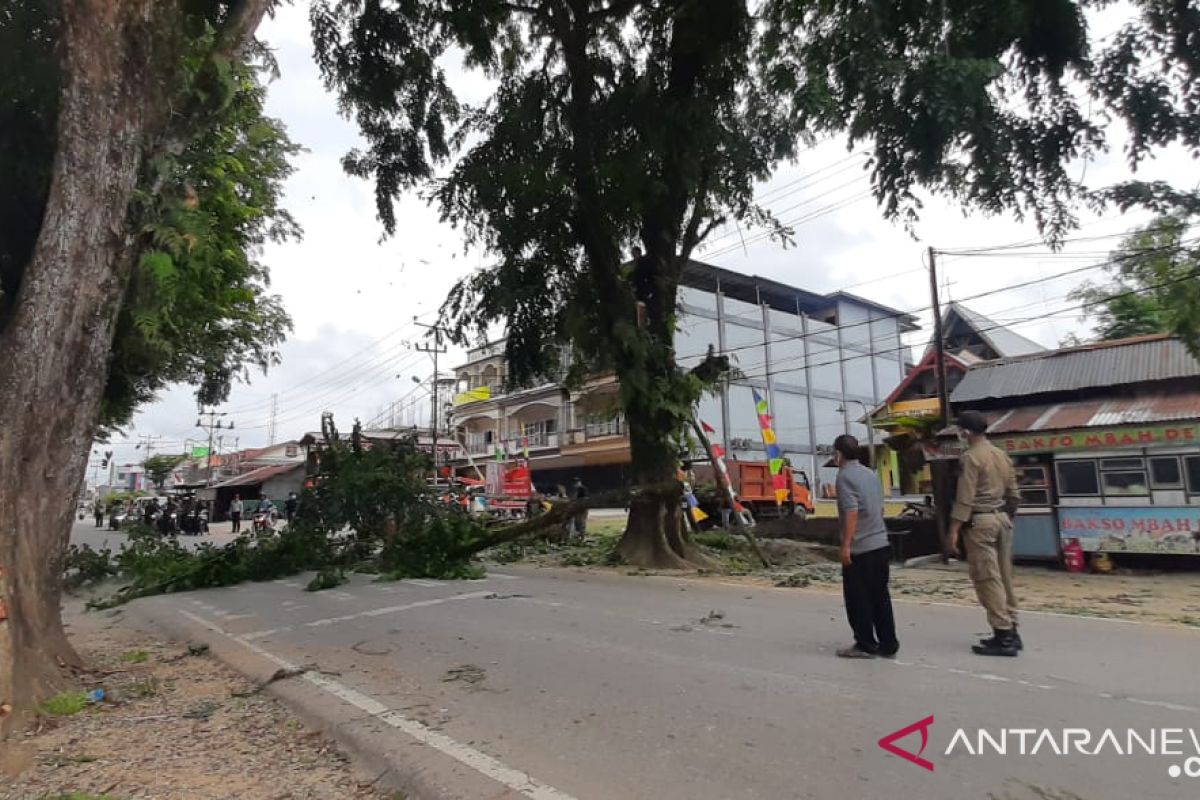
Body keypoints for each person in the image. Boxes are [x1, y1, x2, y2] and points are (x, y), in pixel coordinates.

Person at [948, 410, 1022, 657]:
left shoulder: (970, 458)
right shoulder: (1001, 455)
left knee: (987, 578)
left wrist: (954, 531)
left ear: (966, 432)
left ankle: (1003, 635)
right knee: (1004, 577)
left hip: (981, 522)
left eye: (960, 431)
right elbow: (1014, 494)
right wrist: (1005, 516)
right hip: (1002, 518)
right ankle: (1012, 627)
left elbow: (964, 498)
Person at [832, 434, 898, 659]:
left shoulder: (844, 477)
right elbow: (880, 508)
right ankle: (888, 644)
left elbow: (851, 512)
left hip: (861, 548)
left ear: (838, 454)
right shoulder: (870, 474)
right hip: (880, 543)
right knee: (880, 596)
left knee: (858, 598)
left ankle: (865, 644)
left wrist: (846, 545)